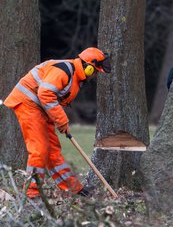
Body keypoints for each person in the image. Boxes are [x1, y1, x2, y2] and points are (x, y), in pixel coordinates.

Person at [4, 47, 111, 201]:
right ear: (88, 67)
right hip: (28, 103)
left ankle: (74, 188)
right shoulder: (63, 70)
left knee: (53, 151)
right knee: (39, 150)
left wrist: (59, 120)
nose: (94, 76)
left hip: (42, 109)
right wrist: (62, 120)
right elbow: (45, 93)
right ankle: (31, 194)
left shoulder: (75, 77)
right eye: (94, 71)